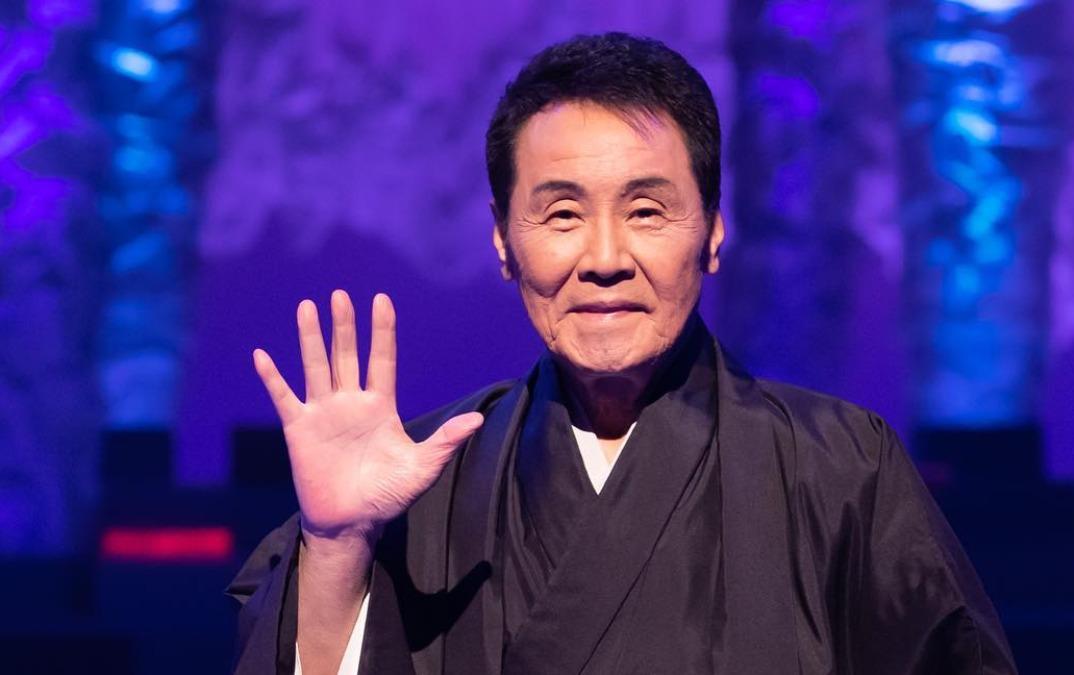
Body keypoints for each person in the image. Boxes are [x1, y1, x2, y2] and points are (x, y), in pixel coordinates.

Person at [227, 33, 1017, 675]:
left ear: (713, 230)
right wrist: (338, 548)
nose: (604, 258)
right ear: (503, 242)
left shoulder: (839, 470)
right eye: (562, 215)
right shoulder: (420, 486)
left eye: (645, 210)